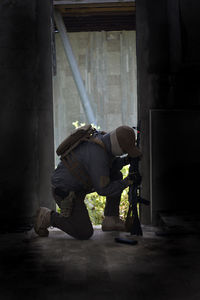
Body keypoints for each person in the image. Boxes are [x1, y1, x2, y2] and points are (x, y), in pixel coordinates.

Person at [34, 125, 142, 239]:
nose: (123, 153)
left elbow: (110, 166)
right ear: (117, 146)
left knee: (116, 175)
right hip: (65, 191)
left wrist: (126, 160)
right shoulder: (98, 155)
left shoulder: (102, 139)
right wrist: (127, 182)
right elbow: (103, 189)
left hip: (78, 186)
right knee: (84, 232)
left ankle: (111, 220)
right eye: (124, 151)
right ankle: (47, 217)